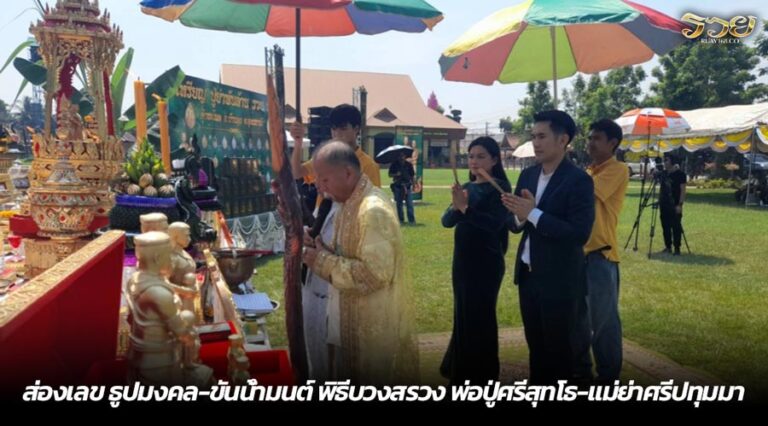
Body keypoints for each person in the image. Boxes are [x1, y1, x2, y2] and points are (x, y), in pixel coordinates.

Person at [302, 141, 417, 384]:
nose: (320, 188)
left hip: (369, 332)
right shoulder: (348, 201)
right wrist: (320, 247)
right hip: (347, 322)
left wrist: (321, 261)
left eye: (324, 180)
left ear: (347, 173)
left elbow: (373, 275)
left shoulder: (372, 210)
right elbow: (347, 252)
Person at [289, 104, 381, 380]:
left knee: (340, 340)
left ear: (356, 130)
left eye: (343, 127)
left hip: (343, 247)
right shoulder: (324, 157)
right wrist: (296, 143)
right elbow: (296, 174)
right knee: (315, 333)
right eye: (334, 128)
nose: (338, 133)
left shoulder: (368, 166)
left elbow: (365, 212)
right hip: (321, 230)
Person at [502, 110, 595, 385]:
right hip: (529, 276)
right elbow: (515, 223)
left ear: (563, 139)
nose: (536, 143)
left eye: (542, 136)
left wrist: (533, 213)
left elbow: (579, 234)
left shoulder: (578, 181)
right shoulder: (528, 175)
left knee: (560, 354)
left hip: (561, 280)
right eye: (533, 137)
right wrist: (519, 215)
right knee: (537, 351)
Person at [440, 136, 511, 384]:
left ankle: (482, 374)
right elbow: (446, 222)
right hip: (463, 262)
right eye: (471, 156)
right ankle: (460, 369)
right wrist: (456, 206)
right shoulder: (468, 188)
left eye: (481, 156)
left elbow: (494, 225)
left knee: (481, 315)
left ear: (494, 159)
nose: (474, 161)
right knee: (462, 313)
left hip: (487, 263)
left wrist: (466, 210)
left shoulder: (500, 188)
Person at [572, 119, 629, 384]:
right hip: (578, 256)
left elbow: (586, 191)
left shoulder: (617, 170)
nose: (590, 143)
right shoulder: (589, 171)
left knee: (604, 321)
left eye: (596, 138)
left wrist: (564, 168)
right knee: (578, 319)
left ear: (613, 143)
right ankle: (581, 371)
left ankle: (608, 377)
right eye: (589, 138)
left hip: (601, 256)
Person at [659, 154, 687, 255]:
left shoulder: (681, 175)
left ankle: (677, 248)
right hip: (664, 204)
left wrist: (680, 204)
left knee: (676, 227)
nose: (664, 162)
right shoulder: (664, 174)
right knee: (665, 226)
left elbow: (683, 190)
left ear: (672, 161)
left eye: (666, 160)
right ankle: (668, 246)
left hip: (675, 204)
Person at [389, 152, 416, 224]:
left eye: (403, 156)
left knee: (409, 204)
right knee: (399, 204)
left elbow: (412, 176)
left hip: (407, 186)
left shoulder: (409, 165)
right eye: (400, 156)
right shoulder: (394, 165)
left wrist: (414, 185)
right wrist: (396, 174)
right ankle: (401, 220)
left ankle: (411, 220)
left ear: (405, 156)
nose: (401, 157)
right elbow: (390, 174)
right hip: (398, 186)